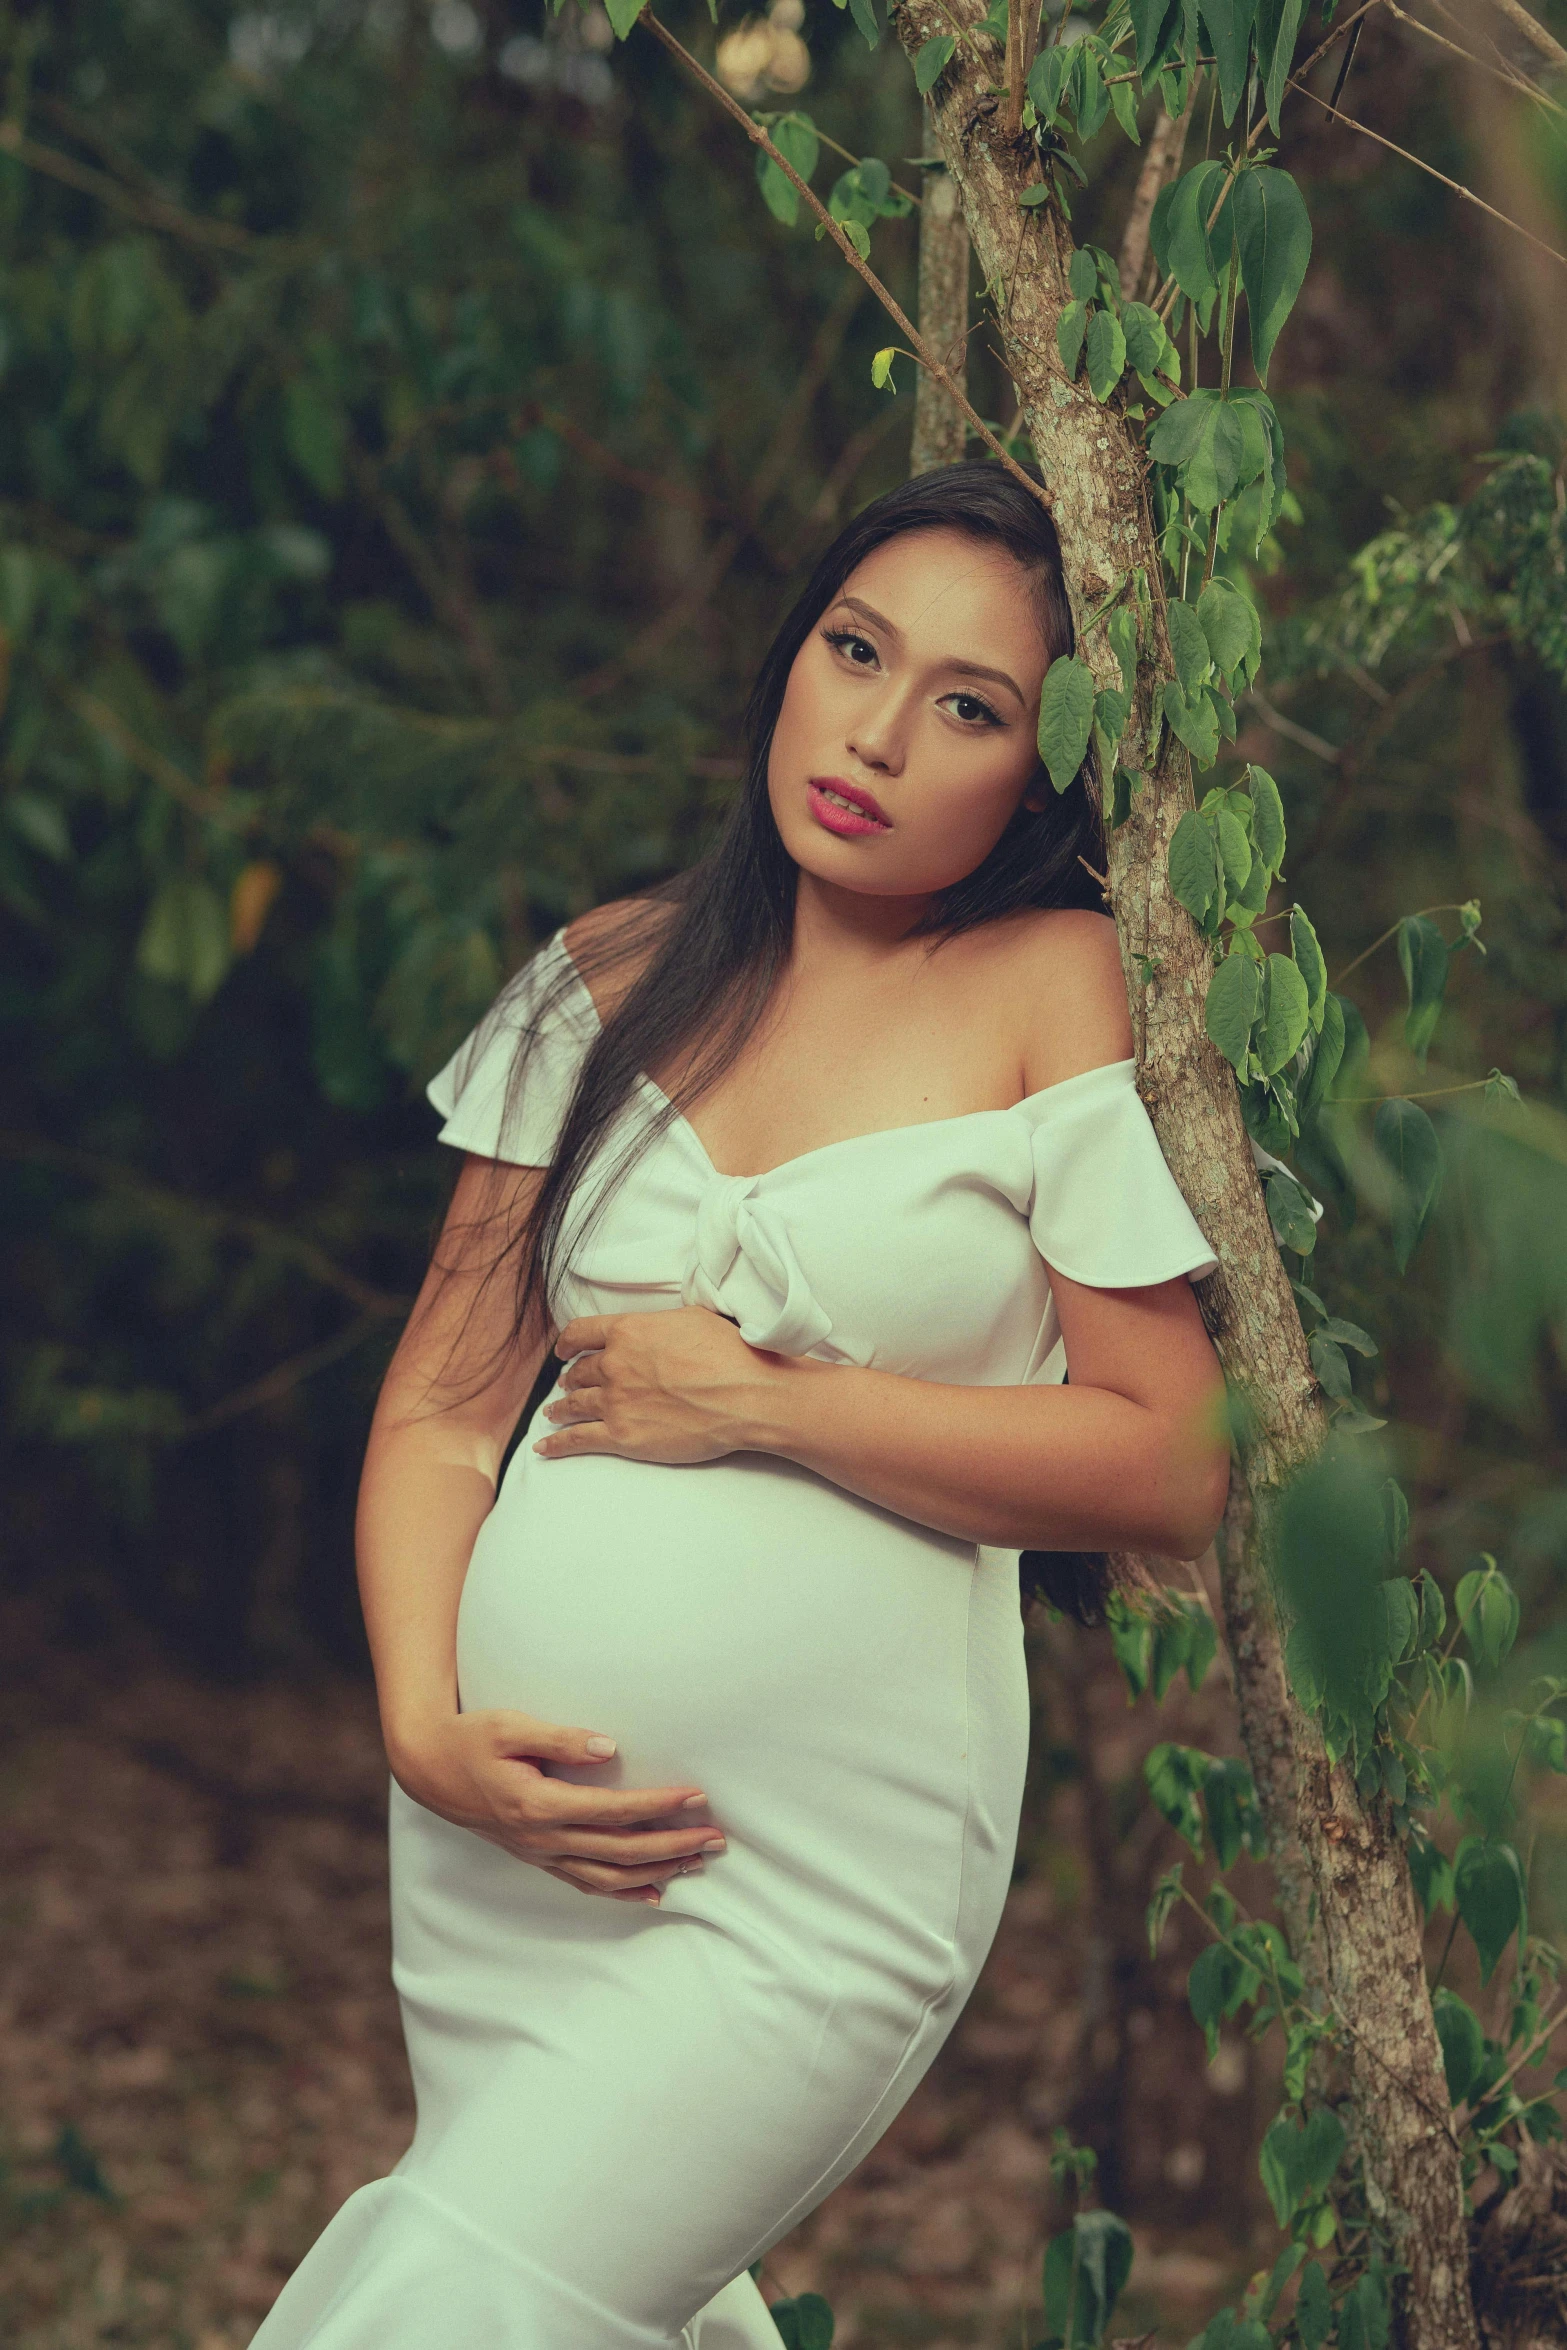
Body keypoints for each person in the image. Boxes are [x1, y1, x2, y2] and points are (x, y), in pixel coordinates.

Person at [250, 460, 1230, 2350]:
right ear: (787, 658)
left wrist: (774, 1402)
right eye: (852, 650)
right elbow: (444, 1417)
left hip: (810, 1877)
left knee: (448, 2307)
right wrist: (421, 1722)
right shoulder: (605, 978)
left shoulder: (1050, 982)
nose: (873, 729)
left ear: (1038, 774)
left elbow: (1170, 1460)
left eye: (967, 704)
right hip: (499, 1847)